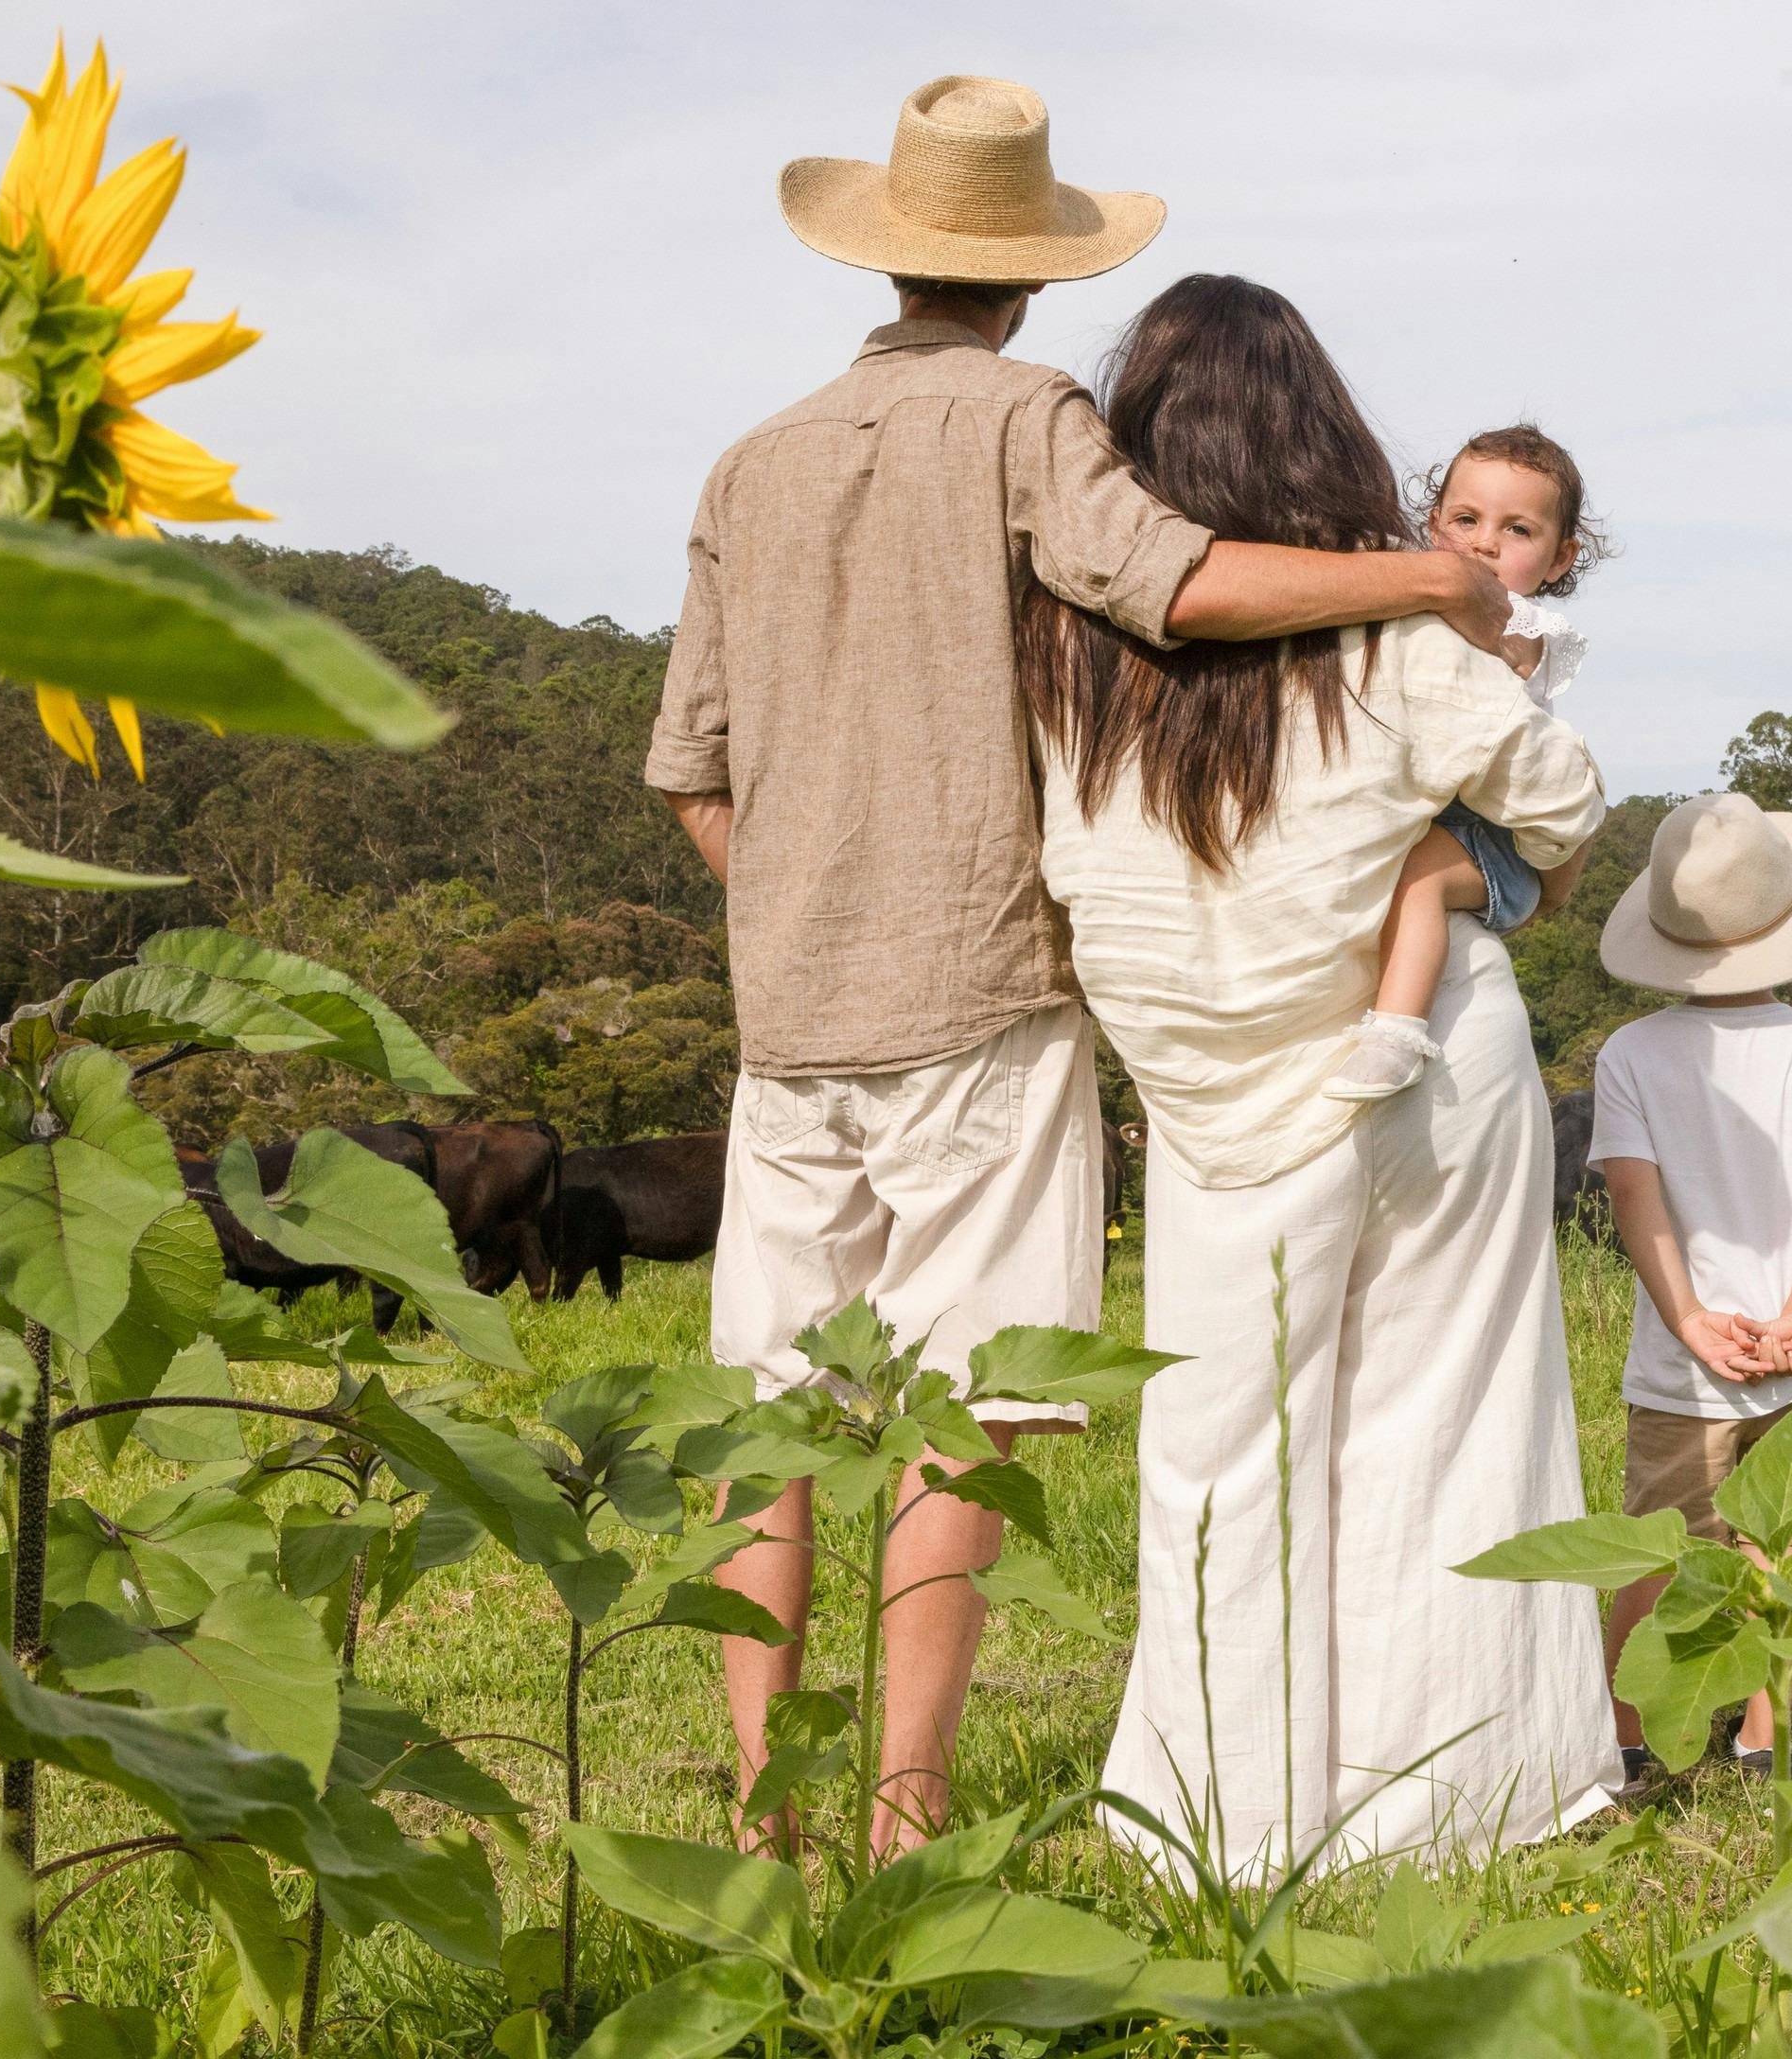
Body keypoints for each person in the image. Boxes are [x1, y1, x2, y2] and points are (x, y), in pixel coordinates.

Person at [644, 77, 1514, 1859]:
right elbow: (1168, 583)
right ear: (1026, 280)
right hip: (977, 990)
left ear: (885, 258)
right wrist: (1423, 578)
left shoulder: (751, 458)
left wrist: (788, 914)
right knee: (967, 1406)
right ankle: (904, 1801)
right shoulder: (1024, 416)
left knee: (767, 1414)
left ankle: (754, 1807)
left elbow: (690, 773)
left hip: (784, 1013)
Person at [1021, 273, 1620, 1873]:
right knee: (1448, 1413)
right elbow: (1557, 805)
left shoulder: (1057, 652)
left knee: (1216, 1451)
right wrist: (1470, 867)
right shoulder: (1398, 624)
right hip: (1428, 1059)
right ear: (1325, 435)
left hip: (1209, 1102)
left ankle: (1212, 1815)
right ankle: (1448, 1802)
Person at [1586, 793, 1792, 1786]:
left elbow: (1635, 1194)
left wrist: (1691, 1321)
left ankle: (1630, 1740)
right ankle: (1764, 1738)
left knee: (1653, 1551)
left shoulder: (1629, 1053)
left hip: (1680, 1365)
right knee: (1787, 1551)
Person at [1326, 428, 1609, 1102]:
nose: (1484, 543)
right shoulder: (1430, 589)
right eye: (1465, 520)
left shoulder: (1522, 628)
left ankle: (1397, 1032)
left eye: (1517, 530)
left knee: (1417, 876)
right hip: (1446, 812)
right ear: (1432, 527)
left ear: (1558, 558)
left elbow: (1484, 686)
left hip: (1492, 840)